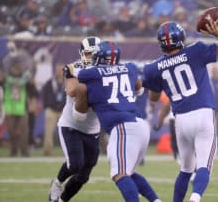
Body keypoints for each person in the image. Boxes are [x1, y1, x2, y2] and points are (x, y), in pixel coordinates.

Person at [142, 20, 218, 202]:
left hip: (180, 120)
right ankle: (196, 197)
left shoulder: (153, 68)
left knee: (185, 169)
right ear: (181, 37)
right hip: (203, 114)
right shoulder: (196, 50)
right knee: (204, 166)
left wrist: (159, 84)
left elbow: (153, 98)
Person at [74, 41, 161, 202]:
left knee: (119, 174)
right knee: (129, 173)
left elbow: (81, 77)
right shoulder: (130, 67)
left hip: (123, 127)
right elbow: (139, 89)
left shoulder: (90, 73)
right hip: (139, 125)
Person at [48, 37, 101, 202]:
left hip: (92, 129)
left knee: (83, 176)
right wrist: (94, 85)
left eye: (93, 54)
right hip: (71, 125)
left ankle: (62, 200)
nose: (89, 58)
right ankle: (57, 182)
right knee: (75, 165)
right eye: (86, 54)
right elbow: (72, 90)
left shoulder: (108, 69)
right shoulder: (74, 68)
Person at [42, 63, 66, 156]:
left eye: (60, 70)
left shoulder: (67, 82)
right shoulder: (50, 82)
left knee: (66, 132)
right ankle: (47, 150)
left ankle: (68, 150)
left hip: (63, 111)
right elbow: (44, 94)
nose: (58, 72)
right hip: (51, 109)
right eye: (57, 70)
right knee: (48, 132)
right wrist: (47, 105)